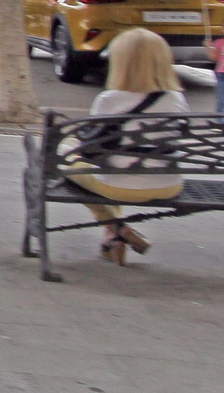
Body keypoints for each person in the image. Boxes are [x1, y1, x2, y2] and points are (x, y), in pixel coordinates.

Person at [67, 29, 188, 264]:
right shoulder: (176, 99)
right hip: (169, 184)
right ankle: (111, 238)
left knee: (67, 164)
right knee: (111, 168)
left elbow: (88, 147)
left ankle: (115, 228)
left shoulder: (110, 99)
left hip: (120, 186)